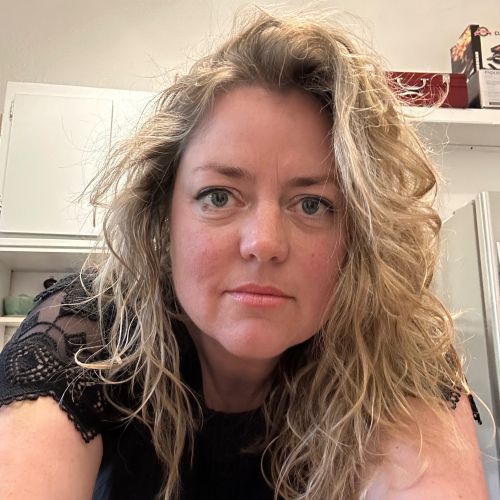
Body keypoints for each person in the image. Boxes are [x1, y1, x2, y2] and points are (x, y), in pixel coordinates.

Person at [0, 8, 488, 500]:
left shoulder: (395, 342)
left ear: (359, 235)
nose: (264, 243)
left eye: (313, 204)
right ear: (163, 216)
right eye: (218, 196)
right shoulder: (84, 330)